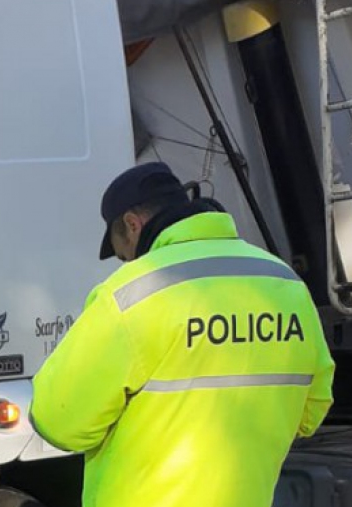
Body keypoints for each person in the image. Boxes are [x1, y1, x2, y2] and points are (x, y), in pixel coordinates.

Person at [30, 161, 335, 507]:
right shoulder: (285, 284)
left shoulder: (131, 295)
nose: (126, 260)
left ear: (132, 224)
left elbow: (57, 421)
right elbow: (311, 412)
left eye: (122, 252)